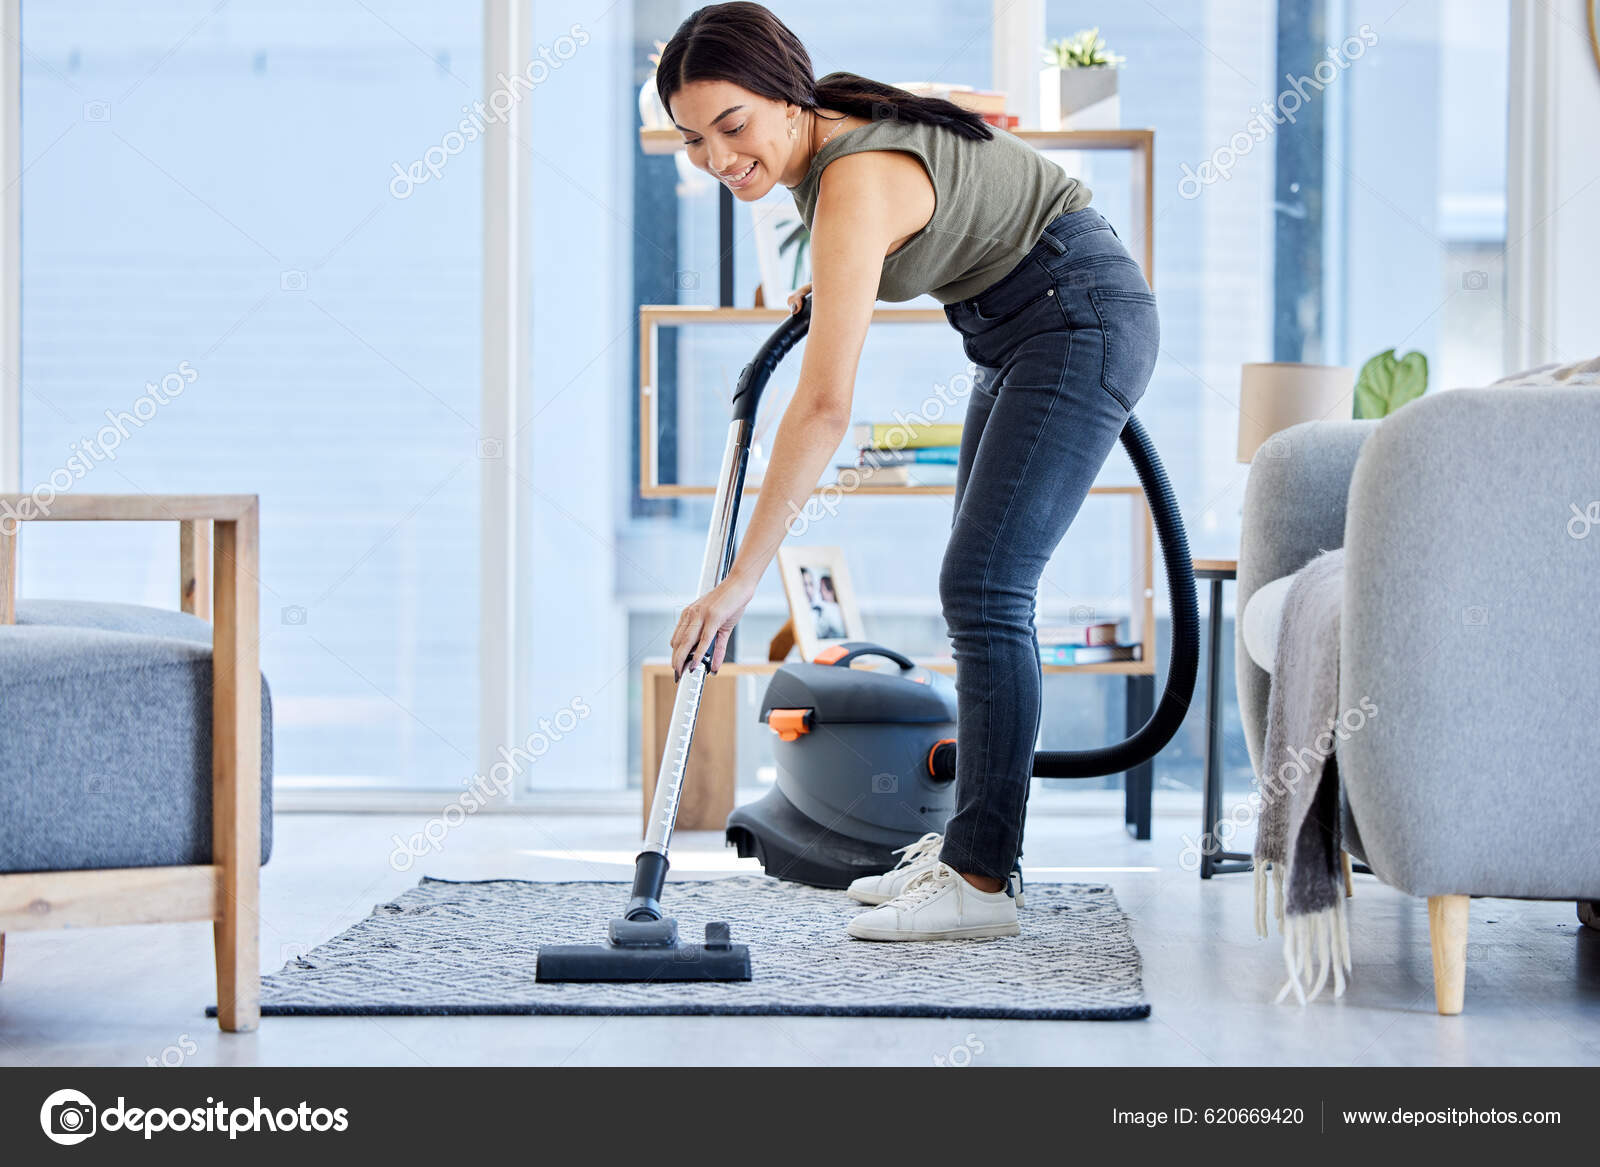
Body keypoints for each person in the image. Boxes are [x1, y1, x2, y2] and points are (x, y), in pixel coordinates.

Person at [662, 2, 1159, 941]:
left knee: (985, 584)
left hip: (1075, 317)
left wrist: (737, 583)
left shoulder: (850, 180)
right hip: (1022, 331)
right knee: (976, 587)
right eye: (693, 140)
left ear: (785, 94)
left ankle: (980, 879)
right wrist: (843, 271)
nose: (718, 158)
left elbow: (823, 407)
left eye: (732, 125)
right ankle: (973, 849)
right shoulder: (835, 146)